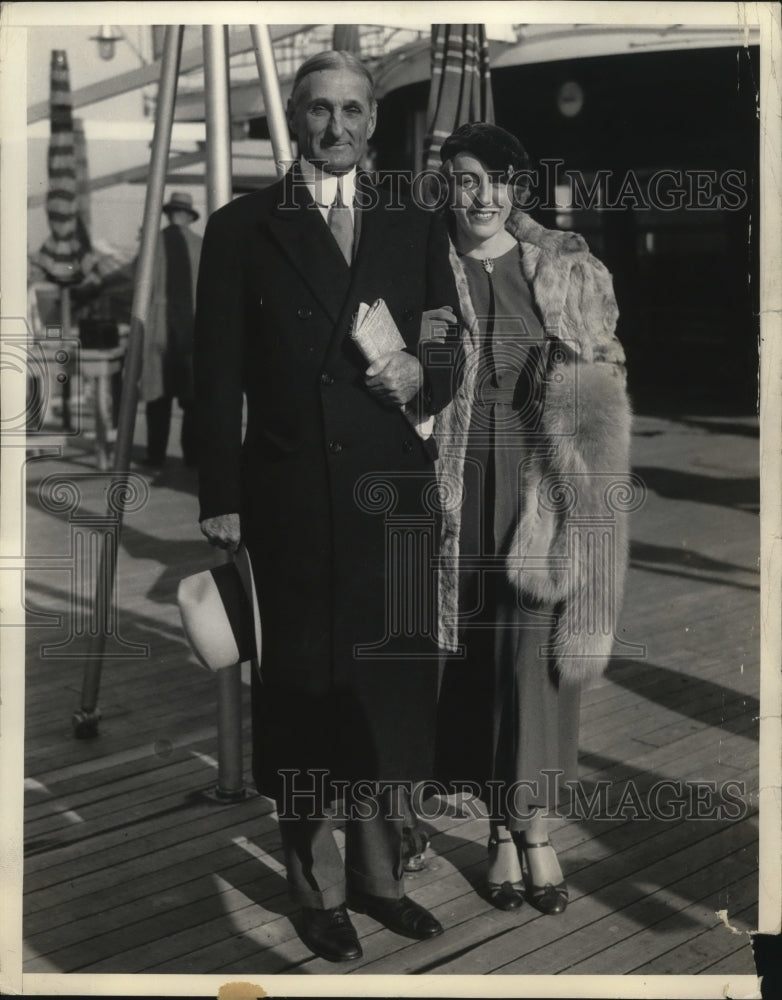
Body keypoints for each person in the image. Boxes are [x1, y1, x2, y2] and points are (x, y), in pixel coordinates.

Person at [193, 51, 460, 962]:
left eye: (353, 109)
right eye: (318, 110)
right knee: (304, 698)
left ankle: (383, 881)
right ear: (293, 121)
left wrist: (427, 370)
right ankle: (319, 891)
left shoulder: (416, 217)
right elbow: (212, 377)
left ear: (374, 122)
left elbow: (445, 334)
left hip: (391, 496)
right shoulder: (243, 229)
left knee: (387, 694)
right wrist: (221, 499)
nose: (336, 127)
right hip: (291, 501)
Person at [432, 123, 632, 915]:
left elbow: (607, 371)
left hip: (537, 483)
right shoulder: (422, 262)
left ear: (518, 186)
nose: (483, 197)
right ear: (445, 184)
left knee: (534, 663)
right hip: (448, 482)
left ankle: (535, 828)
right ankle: (493, 831)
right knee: (471, 660)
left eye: (498, 180)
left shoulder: (559, 267)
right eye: (466, 179)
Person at [141, 191, 202, 468]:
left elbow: (137, 285)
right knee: (192, 399)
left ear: (168, 214)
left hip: (159, 330)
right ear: (189, 216)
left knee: (158, 397)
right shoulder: (201, 245)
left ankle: (155, 457)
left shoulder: (153, 244)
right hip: (193, 331)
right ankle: (191, 456)